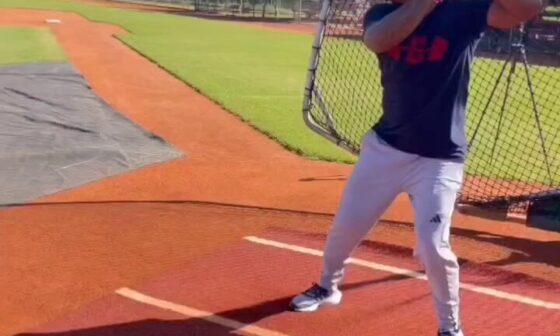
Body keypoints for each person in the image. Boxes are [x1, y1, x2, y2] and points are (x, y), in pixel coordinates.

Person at [289, 0, 543, 334]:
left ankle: (449, 327)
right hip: (385, 150)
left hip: (440, 159)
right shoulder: (381, 14)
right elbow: (377, 40)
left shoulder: (463, 11)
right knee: (346, 227)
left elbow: (528, 10)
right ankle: (327, 285)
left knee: (434, 246)